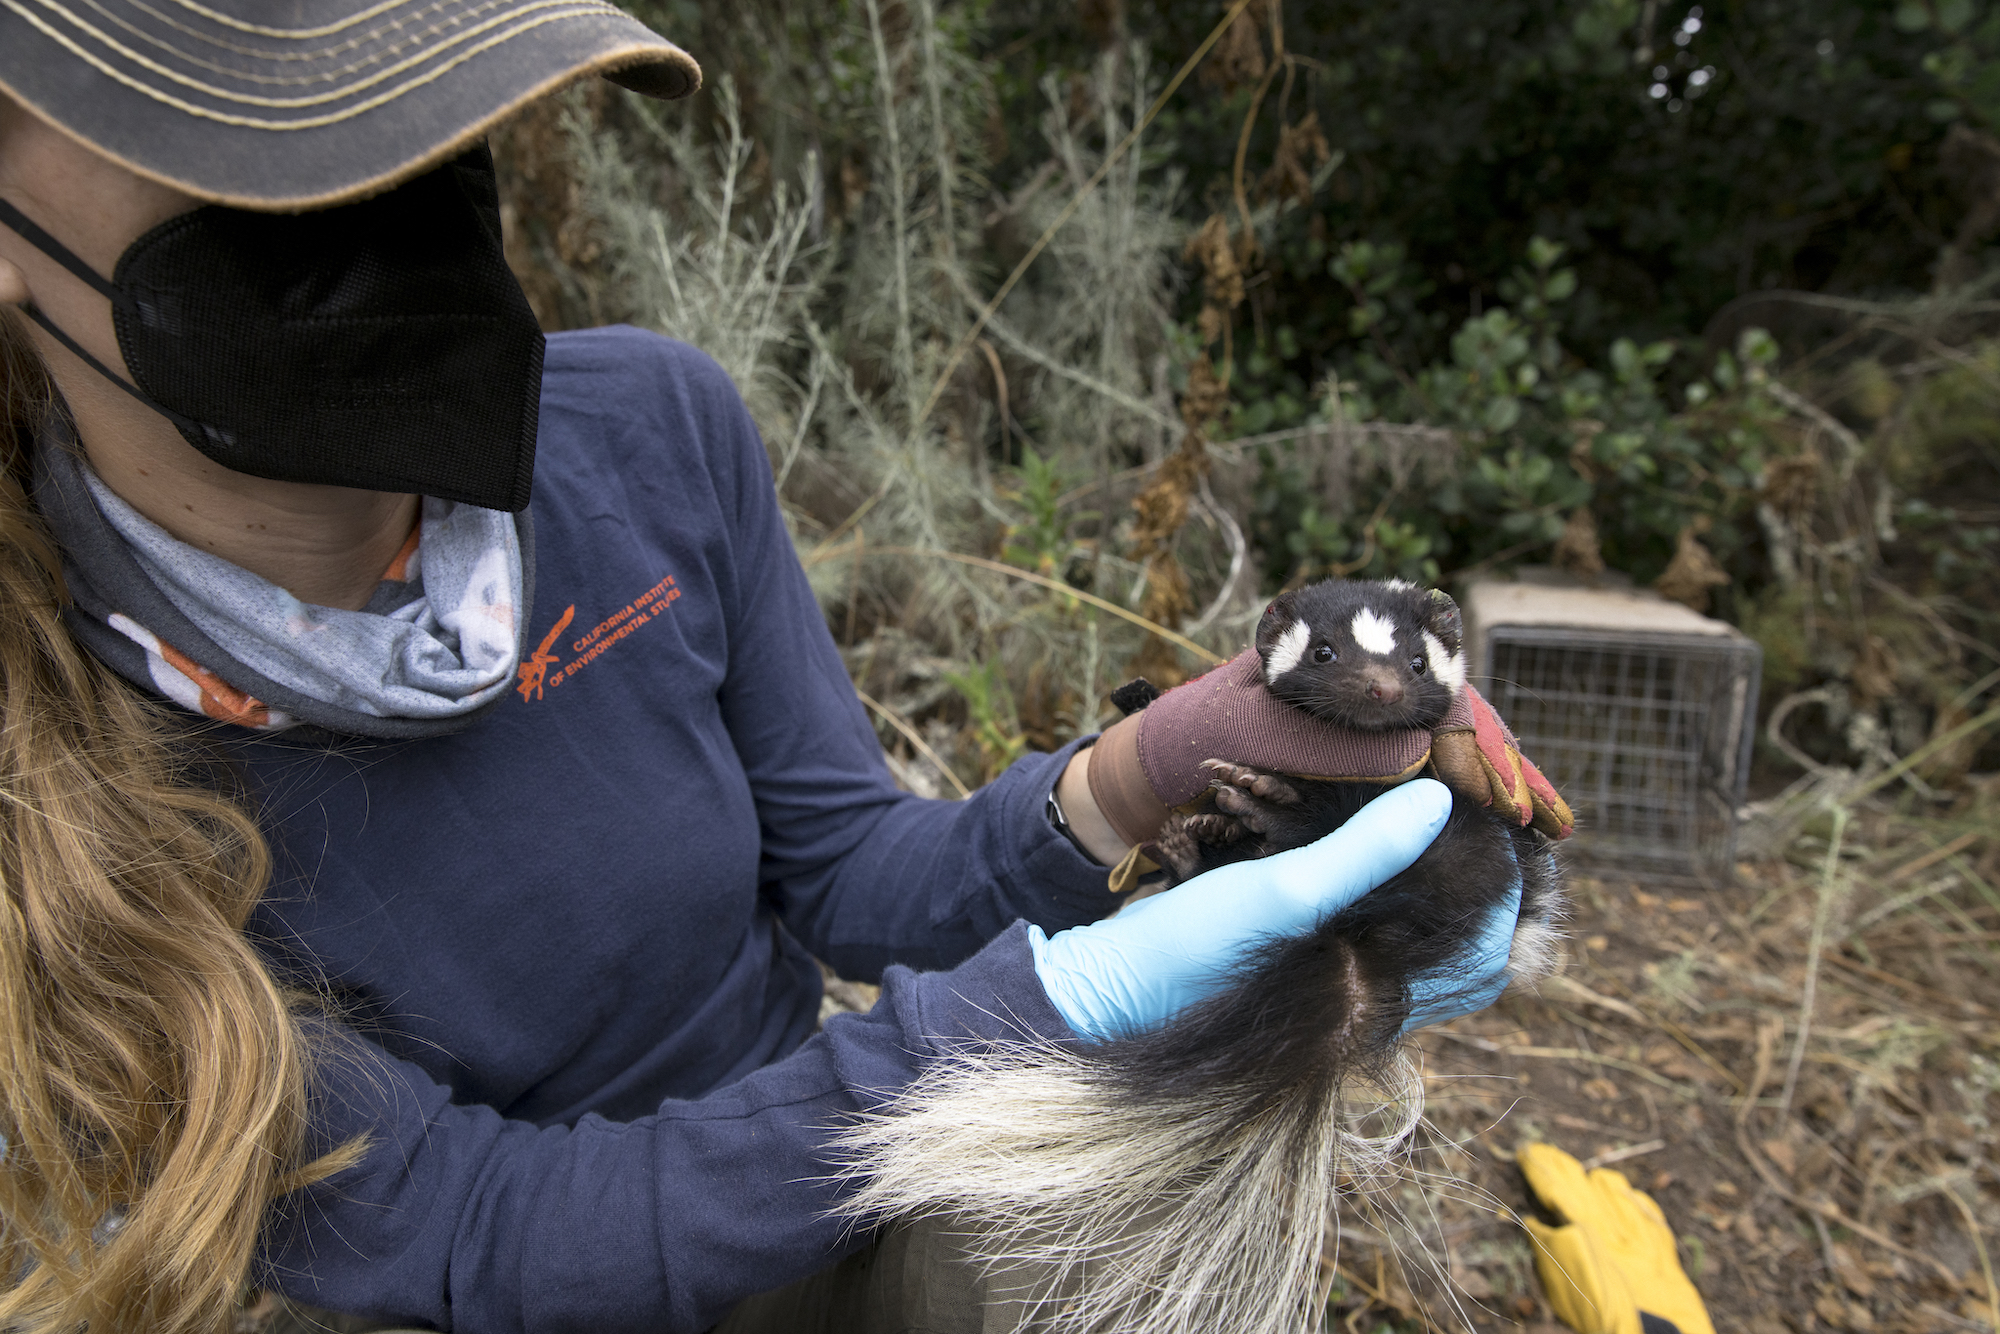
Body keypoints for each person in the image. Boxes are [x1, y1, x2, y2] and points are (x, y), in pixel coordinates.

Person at [0, 4, 1533, 1332]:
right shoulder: (51, 772)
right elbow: (473, 1231)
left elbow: (853, 869)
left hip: (791, 1170)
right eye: (284, 160)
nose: (398, 198)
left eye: (438, 112)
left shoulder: (645, 435)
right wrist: (1023, 1019)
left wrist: (1147, 774)